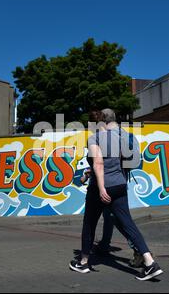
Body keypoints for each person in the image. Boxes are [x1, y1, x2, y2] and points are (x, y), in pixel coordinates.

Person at [69, 108, 163, 281]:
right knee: (127, 223)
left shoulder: (94, 138)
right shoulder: (120, 137)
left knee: (89, 224)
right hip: (120, 184)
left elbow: (98, 163)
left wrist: (102, 187)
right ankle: (150, 263)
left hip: (101, 188)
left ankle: (83, 262)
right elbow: (122, 160)